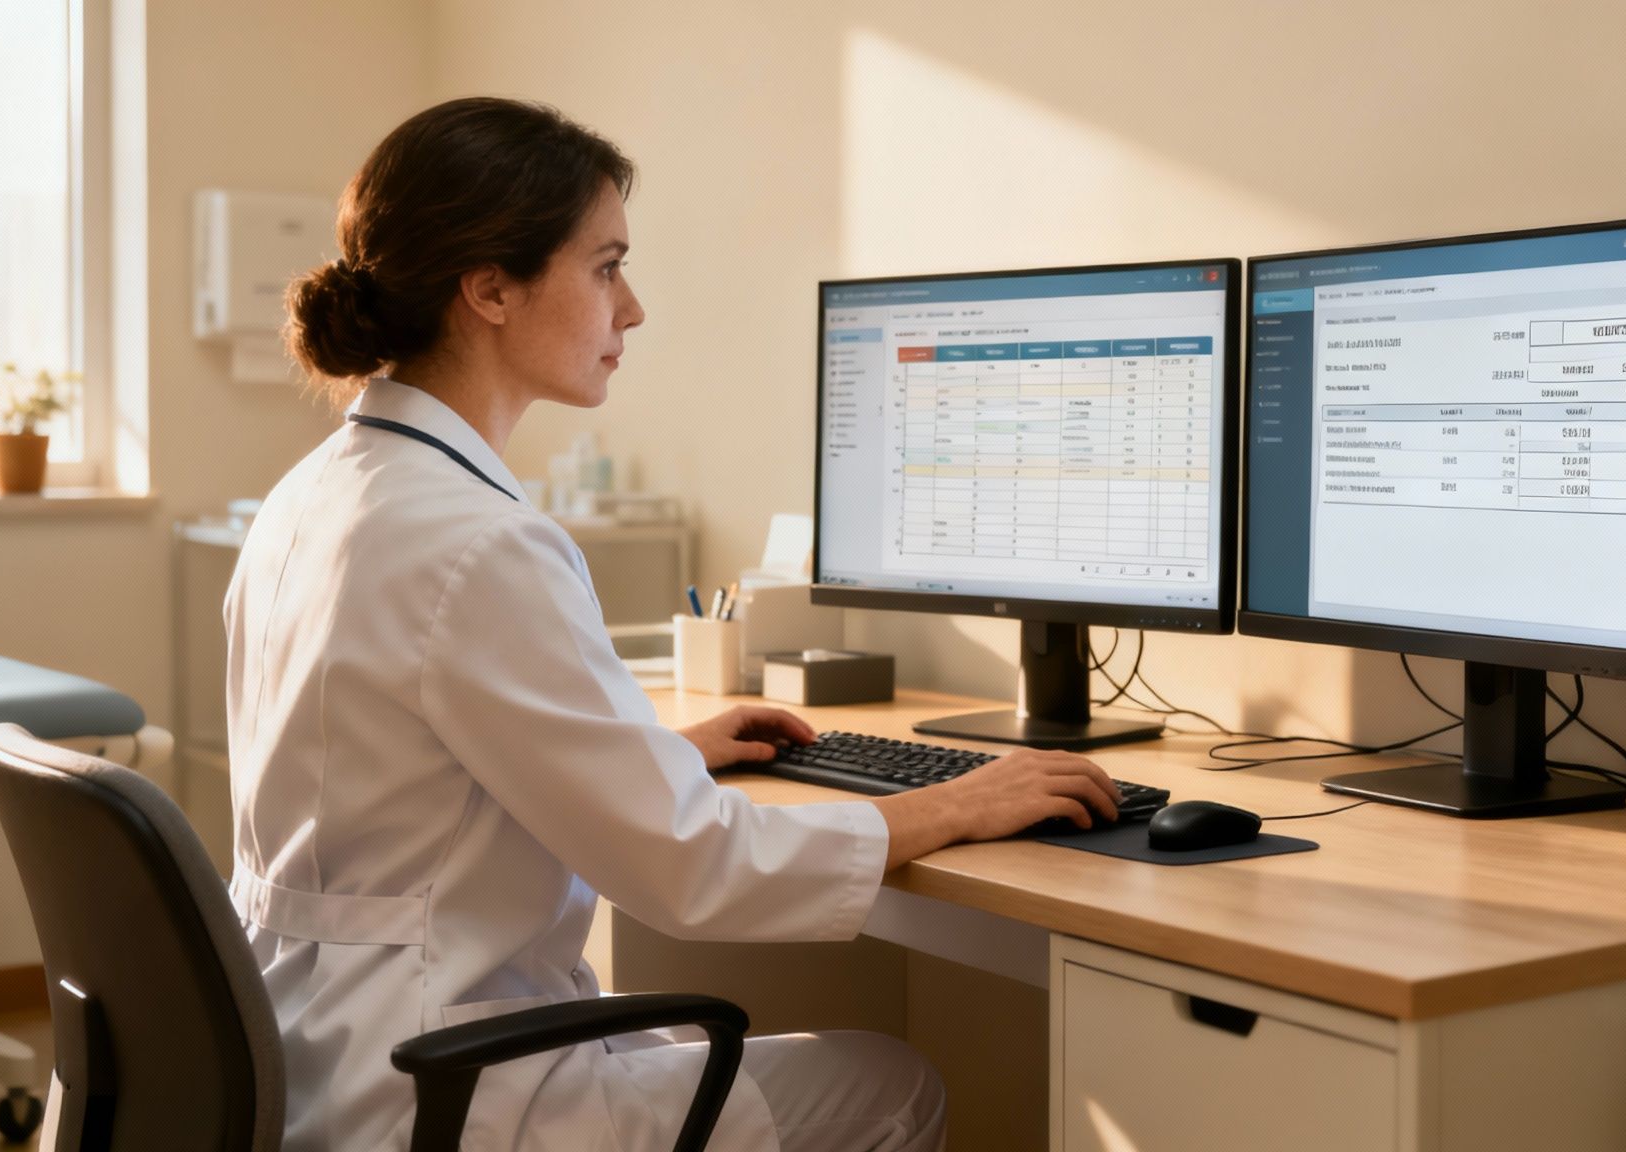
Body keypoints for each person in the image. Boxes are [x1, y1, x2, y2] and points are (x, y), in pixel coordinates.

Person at [227, 96, 1123, 1152]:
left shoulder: (320, 492)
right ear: (489, 290)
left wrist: (649, 756)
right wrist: (952, 805)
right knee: (891, 1085)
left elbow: (402, 779)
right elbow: (688, 871)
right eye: (605, 266)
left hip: (313, 1058)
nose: (633, 307)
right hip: (440, 1086)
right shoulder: (482, 543)